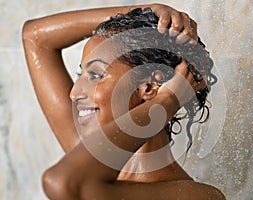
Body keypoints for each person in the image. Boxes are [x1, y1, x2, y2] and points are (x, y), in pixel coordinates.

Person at [22, 3, 225, 200]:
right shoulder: (88, 159)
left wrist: (168, 99)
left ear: (150, 87)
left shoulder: (197, 196)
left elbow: (63, 183)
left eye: (95, 75)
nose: (73, 93)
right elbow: (35, 37)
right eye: (80, 74)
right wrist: (147, 11)